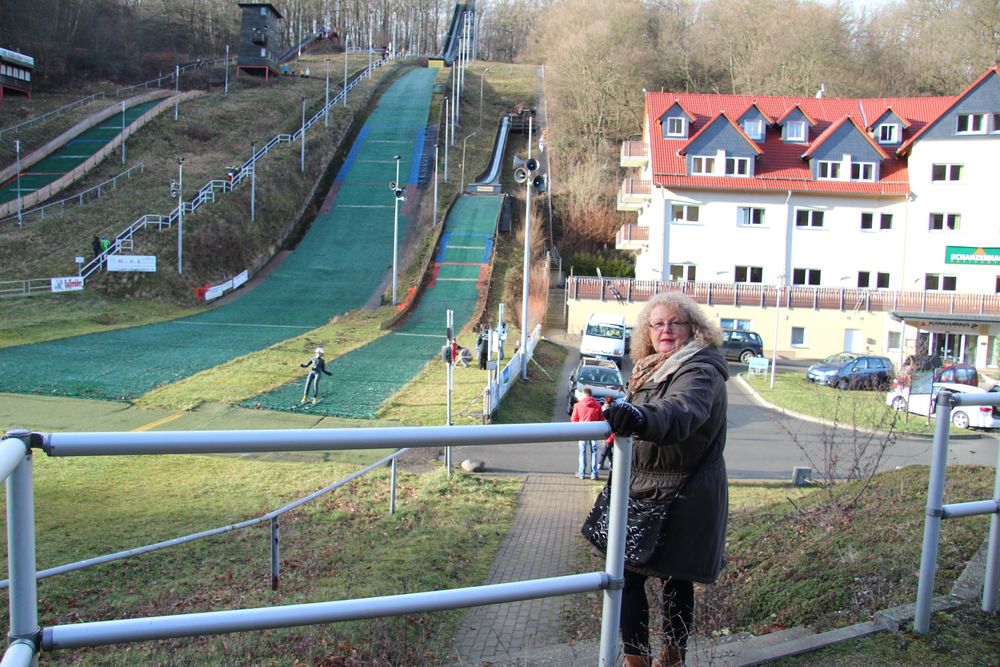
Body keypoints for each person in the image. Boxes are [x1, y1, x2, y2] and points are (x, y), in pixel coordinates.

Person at [602, 292, 729, 667]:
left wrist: (641, 419)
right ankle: (643, 661)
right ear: (648, 332)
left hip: (684, 491)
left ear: (693, 328)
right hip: (650, 487)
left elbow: (680, 409)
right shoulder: (652, 367)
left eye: (675, 322)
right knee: (636, 575)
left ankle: (666, 661)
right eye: (657, 324)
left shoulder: (698, 368)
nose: (666, 330)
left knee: (671, 577)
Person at [570, 387, 604, 480]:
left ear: (583, 395)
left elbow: (574, 419)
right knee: (594, 451)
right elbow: (602, 419)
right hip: (594, 431)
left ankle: (582, 473)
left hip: (582, 431)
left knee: (582, 451)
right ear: (591, 395)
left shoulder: (578, 405)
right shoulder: (597, 405)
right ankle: (594, 473)